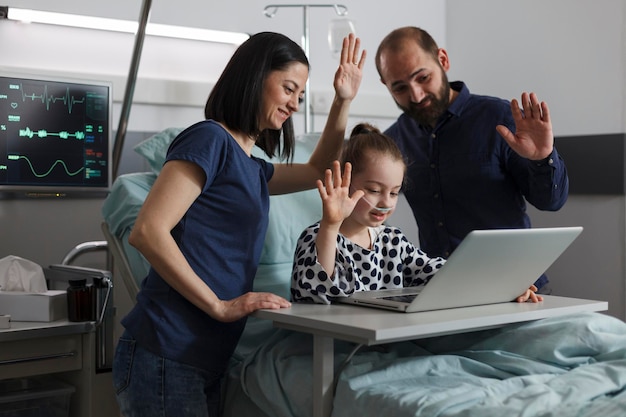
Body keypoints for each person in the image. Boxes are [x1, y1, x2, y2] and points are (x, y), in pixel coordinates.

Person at [112, 32, 365, 417]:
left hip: (204, 358)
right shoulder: (209, 139)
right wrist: (219, 305)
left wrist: (343, 100)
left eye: (300, 95)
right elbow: (147, 231)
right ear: (255, 76)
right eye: (289, 89)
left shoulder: (251, 166)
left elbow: (317, 169)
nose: (295, 104)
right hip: (166, 352)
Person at [375, 27, 569, 290]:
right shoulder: (393, 141)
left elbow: (551, 202)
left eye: (422, 77)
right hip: (441, 291)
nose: (416, 95)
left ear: (442, 60)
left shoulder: (499, 118)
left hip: (518, 290)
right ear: (386, 85)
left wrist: (542, 158)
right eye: (399, 88)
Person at [290, 123, 543, 304]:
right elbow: (315, 295)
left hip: (385, 342)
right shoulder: (316, 236)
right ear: (343, 182)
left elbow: (442, 273)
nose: (385, 203)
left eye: (394, 193)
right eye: (374, 190)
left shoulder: (392, 242)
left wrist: (506, 286)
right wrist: (331, 225)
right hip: (334, 345)